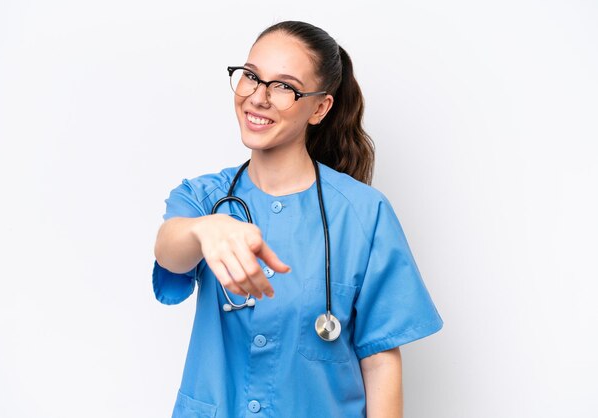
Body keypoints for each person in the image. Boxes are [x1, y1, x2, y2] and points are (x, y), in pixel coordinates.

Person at [152, 20, 443, 418]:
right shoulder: (204, 198)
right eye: (251, 77)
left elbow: (380, 359)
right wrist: (203, 229)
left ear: (320, 107)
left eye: (283, 87)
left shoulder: (364, 213)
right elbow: (170, 252)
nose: (258, 97)